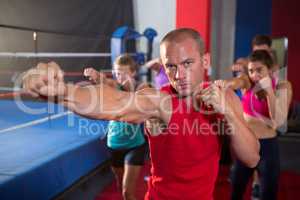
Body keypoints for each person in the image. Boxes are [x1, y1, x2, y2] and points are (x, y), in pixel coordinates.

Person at [22, 28, 260, 200]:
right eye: (171, 67)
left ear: (205, 60)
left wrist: (228, 112)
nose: (179, 75)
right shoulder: (160, 100)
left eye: (188, 63)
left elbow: (251, 158)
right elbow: (116, 102)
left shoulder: (224, 97)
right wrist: (63, 91)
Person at [218, 50, 292, 200]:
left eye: (260, 70)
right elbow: (236, 82)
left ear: (270, 70)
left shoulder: (282, 86)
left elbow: (278, 121)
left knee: (268, 194)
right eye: (251, 70)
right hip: (247, 145)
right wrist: (226, 84)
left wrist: (269, 91)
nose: (255, 75)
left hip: (268, 147)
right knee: (236, 191)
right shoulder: (248, 81)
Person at [84, 54, 147, 200]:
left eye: (124, 73)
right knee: (120, 187)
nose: (120, 77)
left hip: (135, 146)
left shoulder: (140, 88)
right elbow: (106, 81)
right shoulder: (114, 86)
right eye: (117, 73)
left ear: (133, 72)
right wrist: (96, 76)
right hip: (114, 144)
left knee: (127, 192)